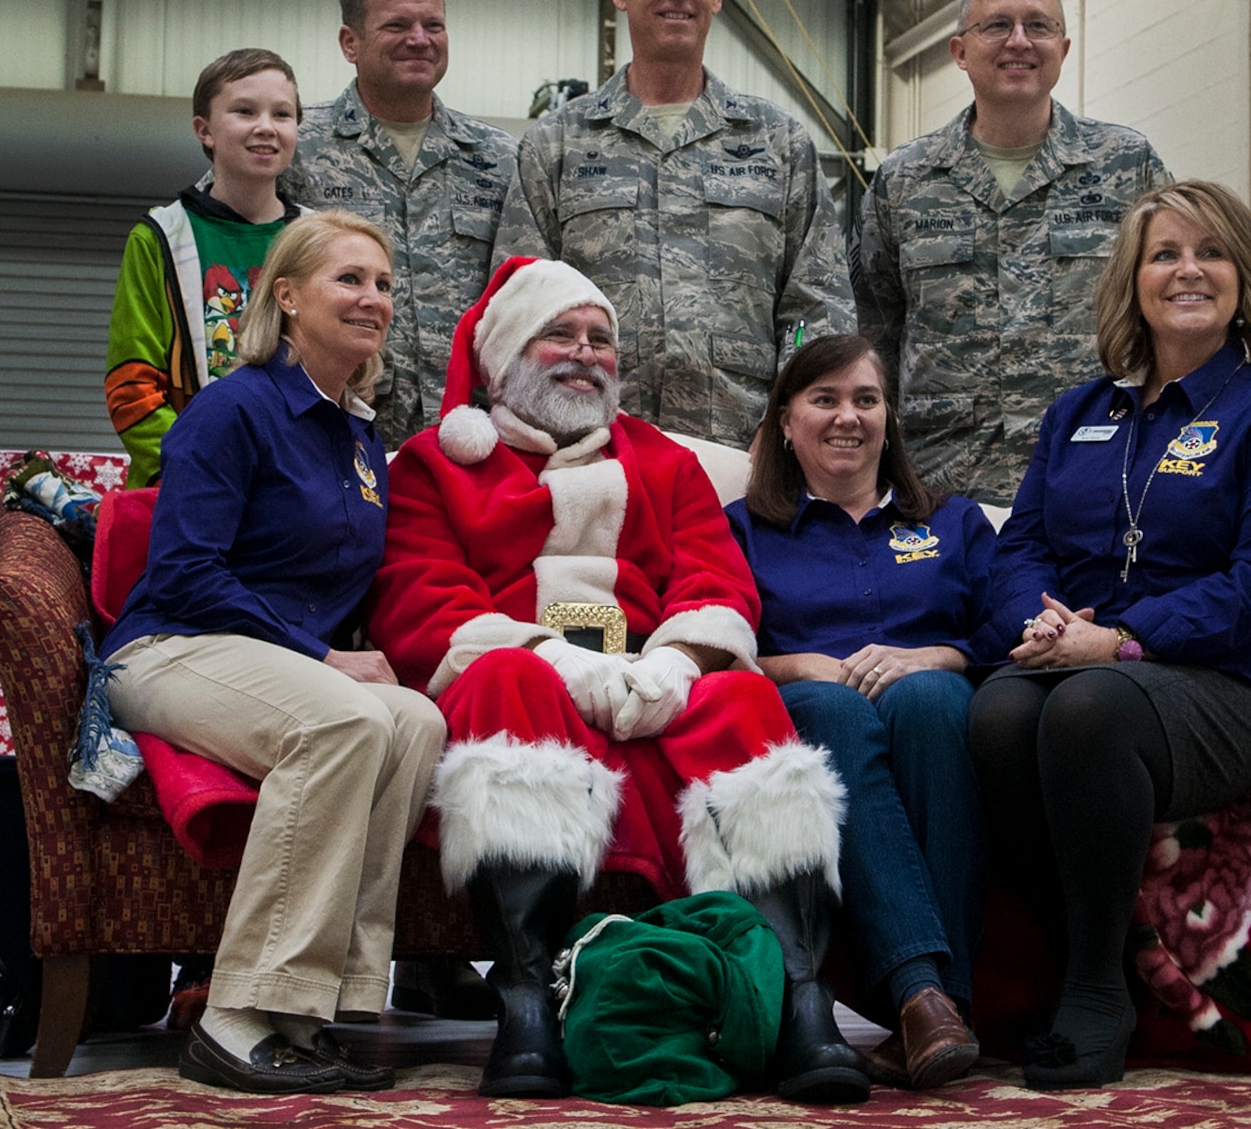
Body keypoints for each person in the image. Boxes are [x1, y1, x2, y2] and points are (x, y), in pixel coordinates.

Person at [366, 256, 870, 1104]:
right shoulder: (432, 463)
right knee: (503, 686)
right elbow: (420, 597)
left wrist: (675, 662)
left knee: (746, 696)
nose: (584, 352)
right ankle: (528, 999)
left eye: (600, 338)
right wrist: (556, 658)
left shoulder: (663, 461)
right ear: (504, 355)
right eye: (559, 333)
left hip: (650, 682)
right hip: (522, 674)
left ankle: (795, 998)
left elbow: (716, 580)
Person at [966, 181, 1251, 1089]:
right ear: (1133, 282)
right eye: (1164, 254)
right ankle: (1072, 956)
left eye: (1210, 251)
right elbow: (1021, 548)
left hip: (1228, 683)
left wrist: (1122, 637)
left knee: (1088, 708)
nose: (1187, 271)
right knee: (997, 715)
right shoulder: (1079, 413)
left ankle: (1096, 992)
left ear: (1242, 276)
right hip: (1086, 660)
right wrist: (1041, 618)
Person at [101, 212, 446, 1093]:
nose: (373, 298)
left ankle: (319, 1007)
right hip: (171, 649)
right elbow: (181, 572)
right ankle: (237, 1014)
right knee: (343, 720)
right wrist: (323, 657)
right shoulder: (233, 408)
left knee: (413, 720)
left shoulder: (359, 436)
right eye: (349, 279)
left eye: (383, 284)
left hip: (278, 664)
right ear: (286, 296)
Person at [724, 333, 992, 1090]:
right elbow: (712, 640)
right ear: (784, 420)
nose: (849, 416)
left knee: (933, 699)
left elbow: (1003, 630)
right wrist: (793, 664)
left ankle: (941, 1006)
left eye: (866, 399)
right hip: (803, 704)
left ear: (889, 418)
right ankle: (924, 997)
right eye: (825, 398)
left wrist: (933, 654)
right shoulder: (741, 527)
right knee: (835, 710)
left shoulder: (953, 522)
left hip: (932, 702)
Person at [495, 0, 855, 449]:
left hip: (743, 448)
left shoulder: (778, 142)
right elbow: (517, 302)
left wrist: (785, 420)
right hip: (591, 449)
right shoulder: (558, 143)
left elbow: (816, 306)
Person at [851, 0, 1168, 507]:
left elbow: (1167, 317)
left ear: (1063, 51)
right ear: (959, 52)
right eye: (996, 25)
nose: (1019, 41)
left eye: (1038, 26)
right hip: (941, 484)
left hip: (1094, 475)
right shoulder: (903, 180)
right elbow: (872, 333)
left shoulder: (1127, 167)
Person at [282, 0, 517, 449]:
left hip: (471, 434)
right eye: (397, 25)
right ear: (351, 43)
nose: (419, 38)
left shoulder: (500, 159)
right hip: (332, 428)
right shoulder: (297, 146)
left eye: (434, 24)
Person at [105, 48, 306, 487]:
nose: (266, 127)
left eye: (283, 114)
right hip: (187, 484)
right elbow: (130, 385)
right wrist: (201, 467)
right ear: (205, 130)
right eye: (244, 111)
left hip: (293, 487)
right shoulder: (160, 236)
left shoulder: (319, 240)